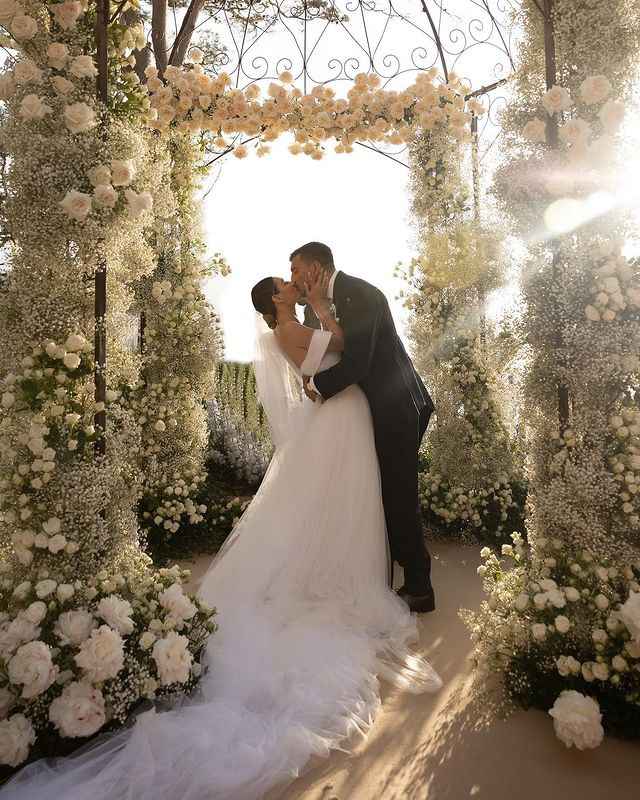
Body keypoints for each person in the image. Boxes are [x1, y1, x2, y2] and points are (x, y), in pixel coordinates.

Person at [0, 269, 440, 800]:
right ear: (274, 301)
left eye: (291, 279)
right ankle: (335, 573)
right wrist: (323, 307)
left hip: (341, 421)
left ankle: (347, 564)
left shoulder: (293, 323)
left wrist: (318, 308)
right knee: (332, 506)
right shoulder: (288, 330)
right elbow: (341, 347)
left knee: (339, 505)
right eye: (285, 285)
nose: (291, 286)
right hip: (334, 423)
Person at [290, 241, 436, 612]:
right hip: (383, 408)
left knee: (398, 494)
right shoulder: (333, 302)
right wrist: (321, 311)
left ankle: (420, 587)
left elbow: (357, 365)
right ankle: (388, 573)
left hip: (400, 407)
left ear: (315, 268)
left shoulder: (358, 293)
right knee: (385, 491)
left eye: (295, 270)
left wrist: (316, 387)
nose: (293, 278)